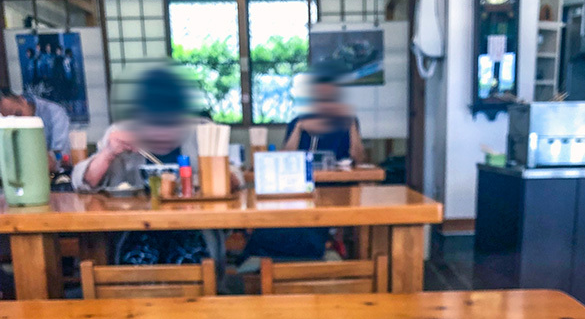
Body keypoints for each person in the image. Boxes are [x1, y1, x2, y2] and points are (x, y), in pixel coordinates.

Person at [72, 65, 237, 270]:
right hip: (135, 226)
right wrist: (108, 153)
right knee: (137, 269)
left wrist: (213, 172)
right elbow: (83, 183)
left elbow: (236, 180)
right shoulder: (120, 133)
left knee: (189, 264)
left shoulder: (203, 132)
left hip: (195, 226)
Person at [240, 68, 365, 266]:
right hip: (299, 187)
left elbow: (358, 159)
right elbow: (284, 158)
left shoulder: (345, 122)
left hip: (333, 189)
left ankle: (316, 243)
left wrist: (351, 126)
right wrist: (299, 128)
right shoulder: (298, 122)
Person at [0, 88, 71, 167]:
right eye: (10, 120)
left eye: (18, 114)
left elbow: (62, 155)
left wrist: (52, 159)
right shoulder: (7, 128)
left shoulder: (55, 113)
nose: (18, 121)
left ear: (22, 100)